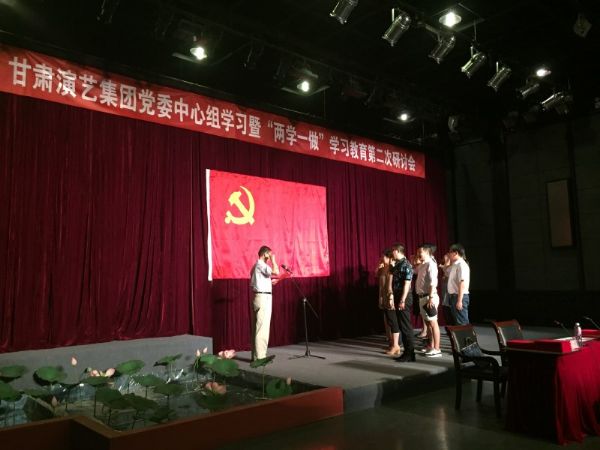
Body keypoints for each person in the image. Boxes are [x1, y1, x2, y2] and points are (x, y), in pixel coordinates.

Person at [250, 245, 279, 360]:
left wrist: (269, 282)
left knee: (257, 328)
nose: (271, 256)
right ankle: (261, 357)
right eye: (269, 254)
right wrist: (273, 260)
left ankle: (256, 356)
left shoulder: (256, 266)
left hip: (259, 296)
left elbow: (258, 281)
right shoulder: (261, 264)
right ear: (265, 254)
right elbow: (276, 271)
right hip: (263, 298)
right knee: (262, 328)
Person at [387, 243, 415, 362]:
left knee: (405, 326)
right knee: (402, 326)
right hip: (398, 295)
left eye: (393, 251)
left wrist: (402, 299)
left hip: (404, 297)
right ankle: (407, 353)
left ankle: (410, 353)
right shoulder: (398, 264)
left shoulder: (406, 264)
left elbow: (407, 284)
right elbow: (391, 276)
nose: (391, 253)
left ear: (397, 251)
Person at [415, 244, 442, 358]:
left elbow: (433, 282)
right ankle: (431, 346)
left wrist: (430, 297)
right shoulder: (423, 264)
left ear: (427, 252)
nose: (418, 254)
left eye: (420, 252)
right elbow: (414, 272)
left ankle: (437, 349)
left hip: (429, 297)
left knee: (433, 323)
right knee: (427, 323)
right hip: (422, 297)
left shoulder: (431, 264)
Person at [447, 243, 470, 325]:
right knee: (458, 321)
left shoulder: (461, 265)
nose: (448, 254)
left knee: (462, 322)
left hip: (459, 296)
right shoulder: (455, 264)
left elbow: (462, 283)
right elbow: (446, 272)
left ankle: (466, 334)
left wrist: (459, 300)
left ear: (456, 253)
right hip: (454, 296)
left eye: (450, 252)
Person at [376, 249, 394, 352]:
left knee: (391, 319)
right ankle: (389, 339)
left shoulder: (392, 268)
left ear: (388, 257)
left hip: (390, 295)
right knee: (386, 318)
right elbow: (376, 275)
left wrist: (391, 296)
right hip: (382, 295)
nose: (381, 258)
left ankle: (395, 342)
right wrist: (379, 267)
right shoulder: (382, 268)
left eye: (383, 256)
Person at [439, 253, 454, 326]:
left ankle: (452, 326)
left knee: (449, 310)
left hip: (450, 294)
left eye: (446, 259)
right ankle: (449, 326)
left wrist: (444, 267)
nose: (445, 260)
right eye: (444, 259)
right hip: (445, 293)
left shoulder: (452, 267)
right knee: (446, 309)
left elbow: (449, 277)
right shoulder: (446, 268)